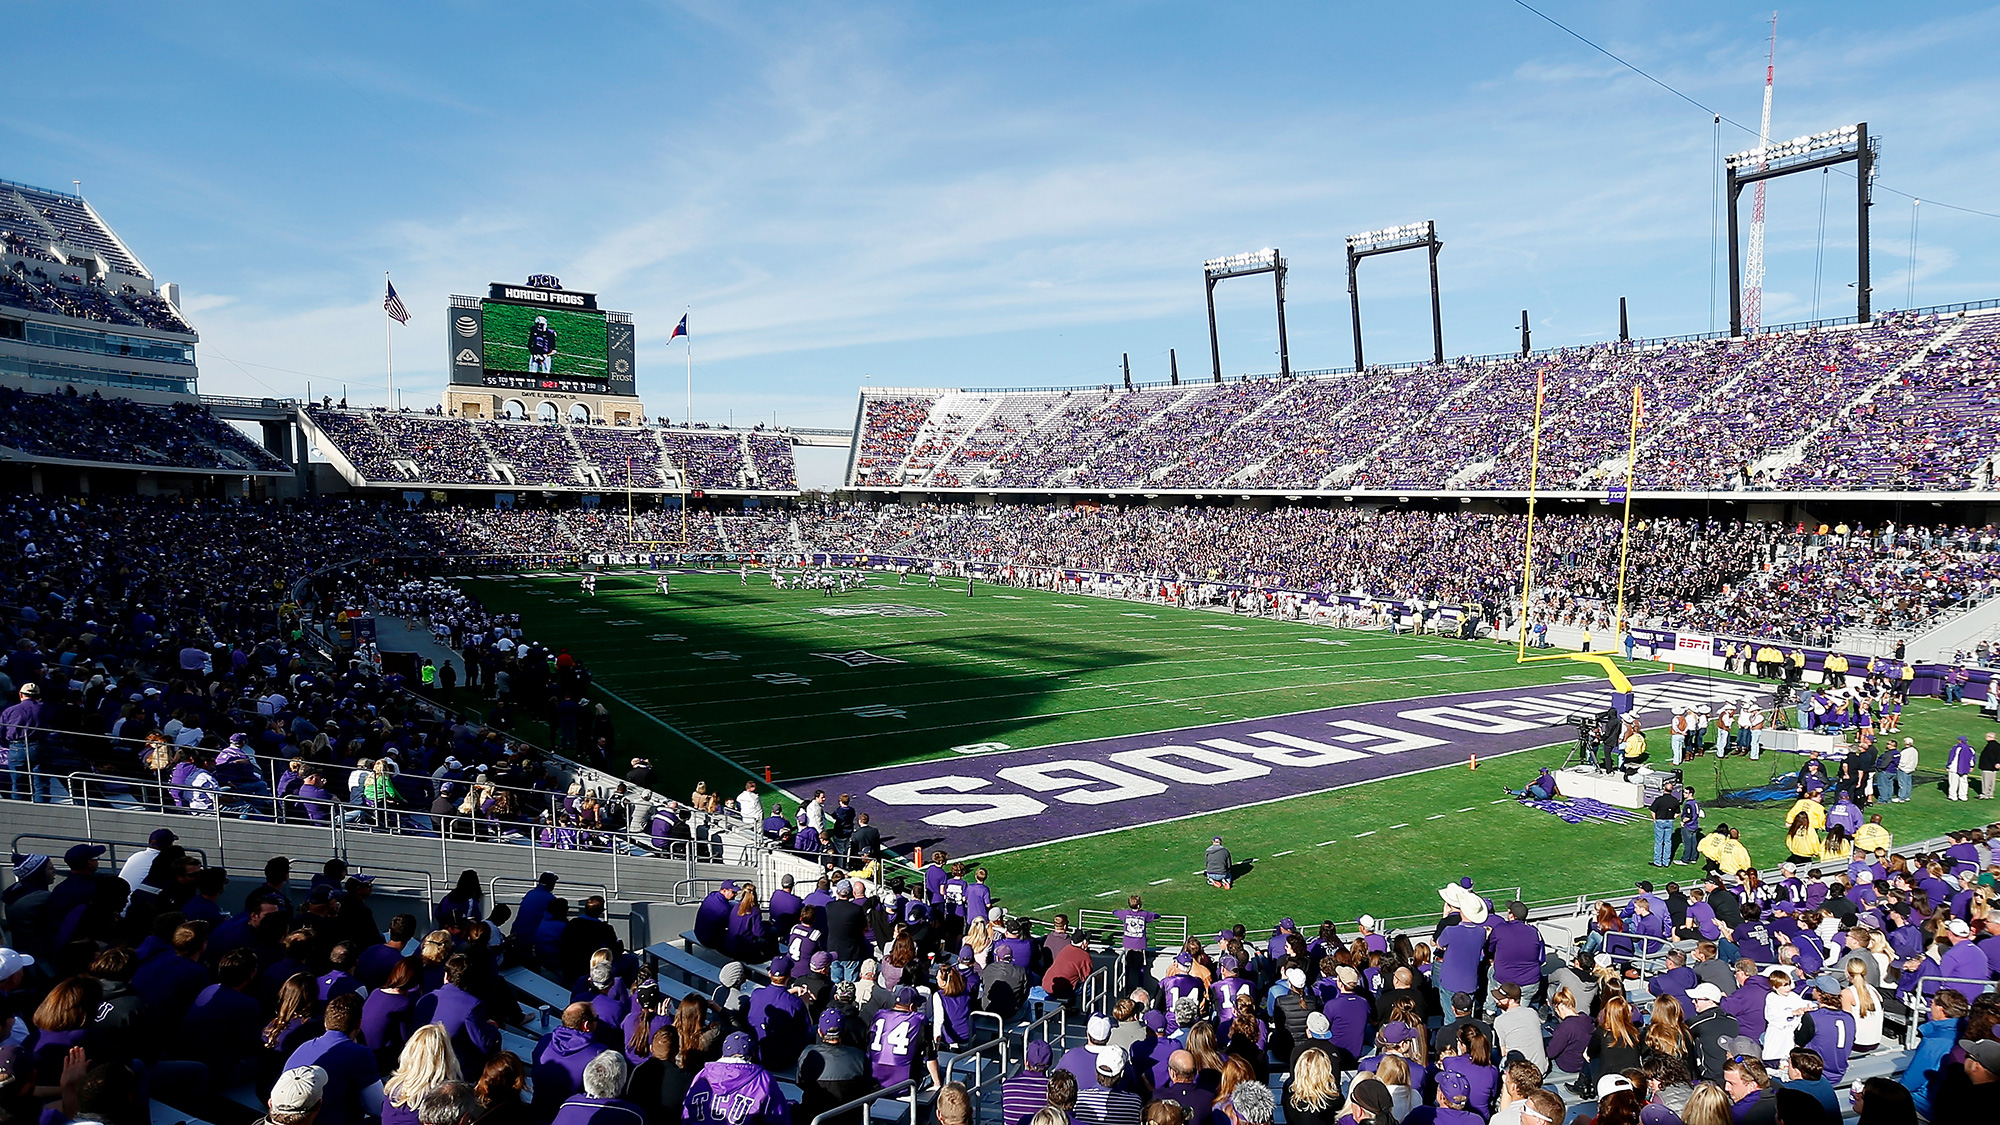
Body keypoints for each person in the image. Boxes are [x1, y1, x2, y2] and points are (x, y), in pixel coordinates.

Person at [682, 1032, 790, 1125]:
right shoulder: (763, 1079)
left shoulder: (702, 1075)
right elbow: (779, 1117)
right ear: (752, 1055)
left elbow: (686, 1112)